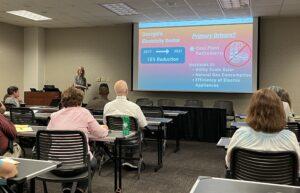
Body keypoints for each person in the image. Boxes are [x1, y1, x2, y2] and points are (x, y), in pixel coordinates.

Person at [47, 87, 108, 193]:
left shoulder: (54, 116)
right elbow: (100, 133)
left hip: (55, 166)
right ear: (79, 100)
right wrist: (105, 128)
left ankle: (66, 188)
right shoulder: (84, 113)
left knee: (66, 155)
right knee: (92, 162)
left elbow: (48, 136)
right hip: (79, 166)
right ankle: (80, 189)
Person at [225, 89, 300, 169]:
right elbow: (298, 167)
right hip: (282, 181)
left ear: (252, 110)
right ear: (279, 111)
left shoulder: (240, 134)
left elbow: (229, 164)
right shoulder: (290, 137)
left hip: (245, 181)